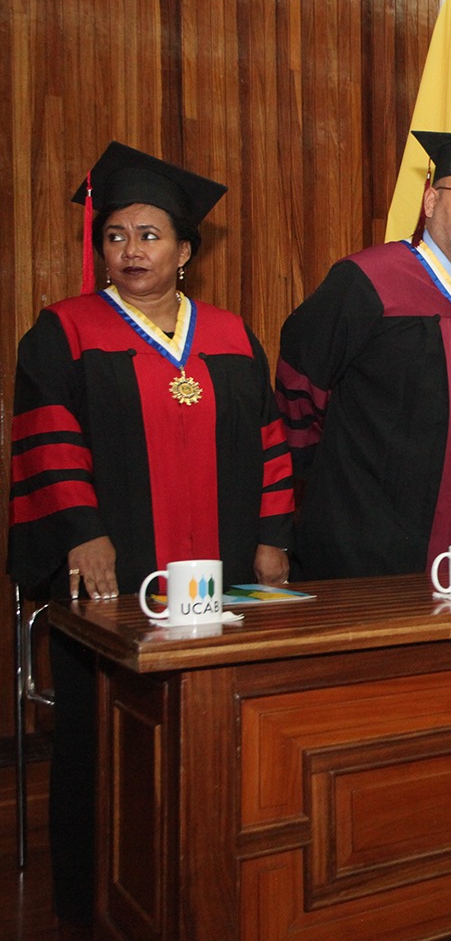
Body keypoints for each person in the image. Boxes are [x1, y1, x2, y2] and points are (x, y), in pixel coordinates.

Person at [7, 142, 294, 921]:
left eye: (148, 235)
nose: (130, 250)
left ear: (185, 252)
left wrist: (272, 537)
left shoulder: (231, 335)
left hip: (225, 565)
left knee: (220, 723)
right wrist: (80, 530)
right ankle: (95, 901)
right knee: (102, 733)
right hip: (115, 570)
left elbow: (269, 442)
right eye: (116, 235)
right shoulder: (66, 330)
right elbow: (47, 436)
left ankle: (211, 891)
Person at [277, 131, 451, 578]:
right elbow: (301, 379)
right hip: (367, 522)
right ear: (431, 200)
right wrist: (334, 463)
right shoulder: (367, 279)